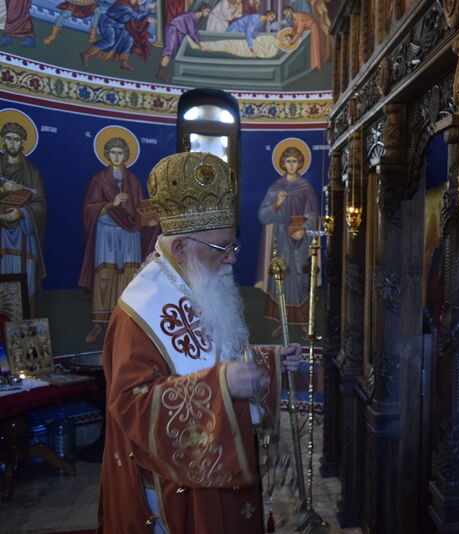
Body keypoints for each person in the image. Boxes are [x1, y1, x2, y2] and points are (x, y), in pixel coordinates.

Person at [98, 151, 303, 534]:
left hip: (223, 466)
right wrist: (220, 385)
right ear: (180, 248)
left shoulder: (198, 283)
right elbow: (130, 404)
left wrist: (268, 361)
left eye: (233, 247)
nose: (231, 260)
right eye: (222, 249)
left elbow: (213, 357)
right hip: (179, 488)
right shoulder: (140, 310)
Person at [78, 136, 158, 344]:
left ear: (126, 156)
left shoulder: (132, 180)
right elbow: (89, 209)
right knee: (105, 274)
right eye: (113, 152)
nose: (116, 156)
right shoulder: (99, 179)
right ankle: (99, 323)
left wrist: (148, 222)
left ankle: (127, 321)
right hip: (107, 232)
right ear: (107, 155)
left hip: (129, 234)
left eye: (120, 153)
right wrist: (111, 204)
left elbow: (139, 210)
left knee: (129, 274)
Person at [257, 146, 318, 336]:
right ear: (283, 163)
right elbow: (263, 216)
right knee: (281, 277)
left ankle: (303, 321)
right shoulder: (276, 188)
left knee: (300, 278)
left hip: (300, 239)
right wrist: (277, 204)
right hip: (282, 238)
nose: (291, 165)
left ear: (300, 164)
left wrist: (303, 229)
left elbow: (313, 214)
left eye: (294, 161)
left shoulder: (306, 187)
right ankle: (282, 321)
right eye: (288, 161)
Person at [0, 121, 46, 304]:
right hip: (1, 234)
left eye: (16, 139)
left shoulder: (32, 172)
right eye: (8, 139)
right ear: (3, 141)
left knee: (27, 279)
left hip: (24, 236)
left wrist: (21, 214)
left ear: (23, 143)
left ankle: (26, 318)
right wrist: (3, 189)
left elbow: (40, 204)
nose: (12, 143)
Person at [79, 0, 154, 72]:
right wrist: (149, 9)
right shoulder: (124, 5)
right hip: (108, 23)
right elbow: (138, 17)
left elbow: (136, 18)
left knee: (129, 39)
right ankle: (86, 54)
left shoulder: (135, 6)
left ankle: (123, 61)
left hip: (120, 25)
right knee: (110, 41)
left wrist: (146, 20)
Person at [156, 4, 211, 81]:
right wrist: (200, 46)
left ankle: (179, 72)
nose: (208, 14)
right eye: (207, 11)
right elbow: (192, 33)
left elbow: (195, 31)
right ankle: (160, 73)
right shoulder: (189, 16)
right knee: (169, 52)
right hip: (173, 30)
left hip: (179, 32)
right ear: (203, 9)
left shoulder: (196, 18)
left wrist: (201, 42)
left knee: (179, 52)